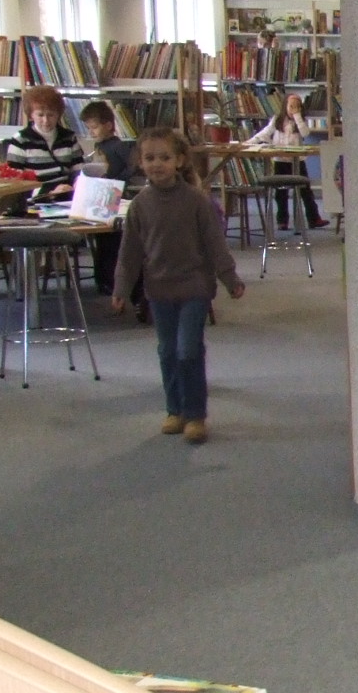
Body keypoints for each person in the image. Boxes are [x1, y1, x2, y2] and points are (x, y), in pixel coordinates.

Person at [112, 130, 245, 445]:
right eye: (149, 158)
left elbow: (215, 244)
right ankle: (175, 410)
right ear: (141, 162)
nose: (157, 164)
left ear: (180, 160)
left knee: (188, 350)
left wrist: (230, 278)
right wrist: (121, 289)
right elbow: (129, 254)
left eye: (164, 157)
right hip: (159, 290)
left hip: (194, 288)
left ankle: (195, 414)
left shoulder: (196, 201)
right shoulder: (140, 206)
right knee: (168, 351)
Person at [78, 100, 137, 294]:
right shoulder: (99, 146)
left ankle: (111, 279)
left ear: (109, 125)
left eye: (94, 127)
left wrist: (118, 181)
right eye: (89, 128)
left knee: (112, 239)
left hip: (115, 194)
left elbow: (133, 166)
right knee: (101, 239)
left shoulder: (118, 146)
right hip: (102, 193)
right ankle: (102, 279)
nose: (91, 132)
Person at [245, 91, 327, 229]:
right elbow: (265, 133)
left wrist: (297, 116)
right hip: (281, 160)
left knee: (305, 191)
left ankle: (314, 218)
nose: (294, 109)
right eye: (291, 106)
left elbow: (305, 133)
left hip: (297, 161)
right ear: (285, 106)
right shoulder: (277, 120)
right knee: (280, 193)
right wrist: (249, 142)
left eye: (297, 106)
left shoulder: (300, 121)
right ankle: (282, 220)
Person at [3, 85, 84, 199]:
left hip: (67, 196)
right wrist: (49, 192)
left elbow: (78, 170)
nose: (46, 120)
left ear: (58, 114)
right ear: (31, 115)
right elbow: (14, 183)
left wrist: (77, 184)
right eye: (40, 115)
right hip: (36, 199)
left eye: (51, 115)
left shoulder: (69, 137)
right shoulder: (20, 140)